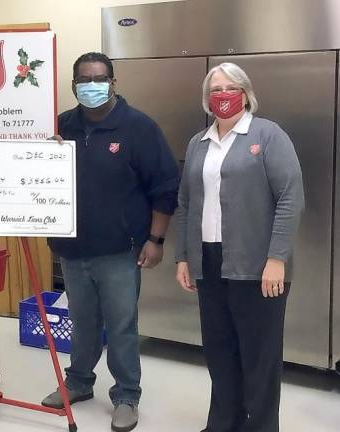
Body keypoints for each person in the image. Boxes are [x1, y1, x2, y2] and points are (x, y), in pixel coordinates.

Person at [43, 52, 180, 432]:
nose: (91, 85)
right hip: (71, 249)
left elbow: (165, 187)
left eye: (99, 78)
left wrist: (155, 239)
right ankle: (79, 383)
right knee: (81, 321)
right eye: (84, 79)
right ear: (73, 86)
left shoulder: (139, 128)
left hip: (122, 251)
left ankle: (126, 395)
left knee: (121, 325)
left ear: (113, 83)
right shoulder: (61, 126)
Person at [175, 62, 304, 432]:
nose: (222, 95)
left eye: (230, 88)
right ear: (206, 98)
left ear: (245, 94)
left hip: (257, 263)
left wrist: (277, 258)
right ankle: (223, 423)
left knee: (259, 355)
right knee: (219, 350)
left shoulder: (268, 135)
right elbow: (186, 203)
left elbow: (290, 198)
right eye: (215, 89)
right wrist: (184, 257)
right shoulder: (198, 143)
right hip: (210, 261)